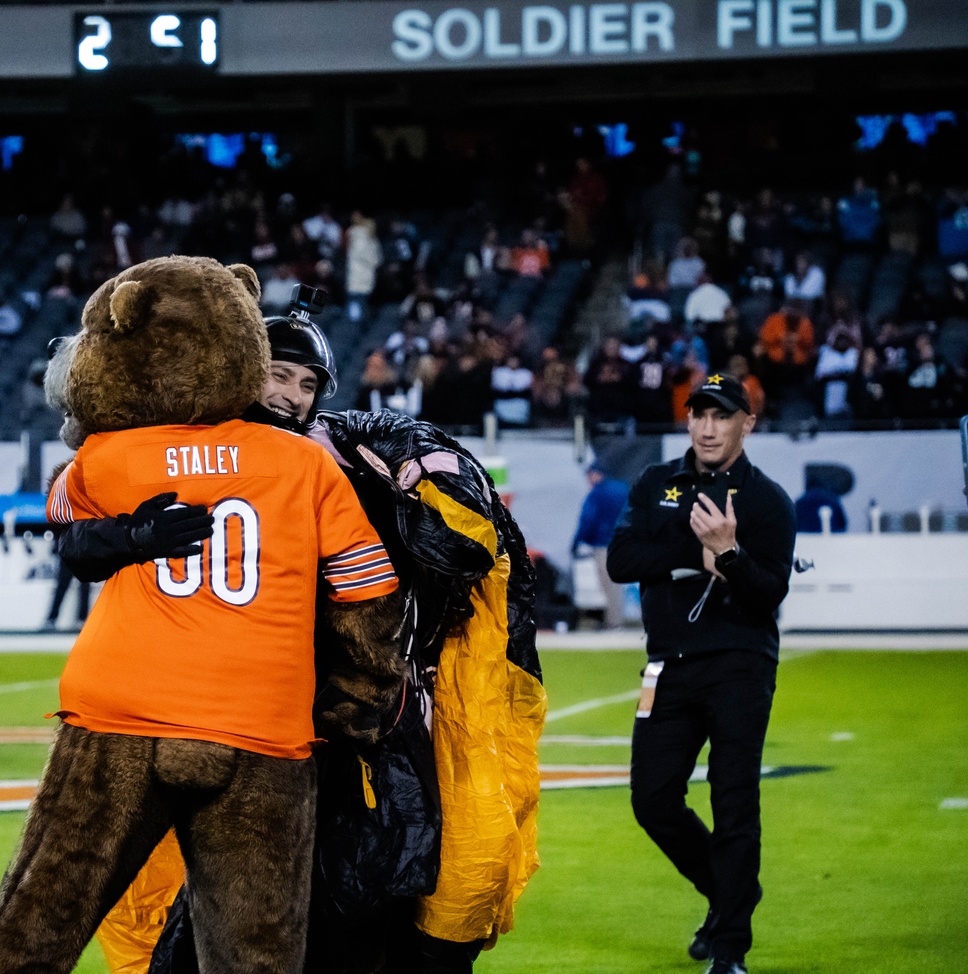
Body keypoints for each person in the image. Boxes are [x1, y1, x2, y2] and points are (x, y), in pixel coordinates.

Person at [57, 294, 543, 974]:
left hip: (339, 738)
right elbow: (75, 538)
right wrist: (135, 534)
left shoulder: (345, 458)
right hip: (213, 725)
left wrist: (401, 490)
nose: (290, 394)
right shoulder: (179, 450)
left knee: (353, 922)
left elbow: (451, 555)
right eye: (278, 374)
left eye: (306, 382)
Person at [606, 372, 796, 974]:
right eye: (699, 415)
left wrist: (733, 556)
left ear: (748, 423)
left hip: (741, 664)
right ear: (687, 421)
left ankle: (730, 949)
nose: (708, 427)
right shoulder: (656, 482)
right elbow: (620, 561)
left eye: (722, 416)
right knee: (653, 799)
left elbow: (769, 595)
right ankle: (730, 893)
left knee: (733, 798)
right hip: (666, 663)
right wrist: (698, 551)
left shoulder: (768, 501)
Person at [571, 461, 630, 630]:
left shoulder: (598, 493)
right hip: (622, 541)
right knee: (616, 584)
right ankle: (616, 619)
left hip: (603, 543)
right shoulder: (622, 489)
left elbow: (588, 519)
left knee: (609, 583)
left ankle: (614, 622)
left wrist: (578, 541)